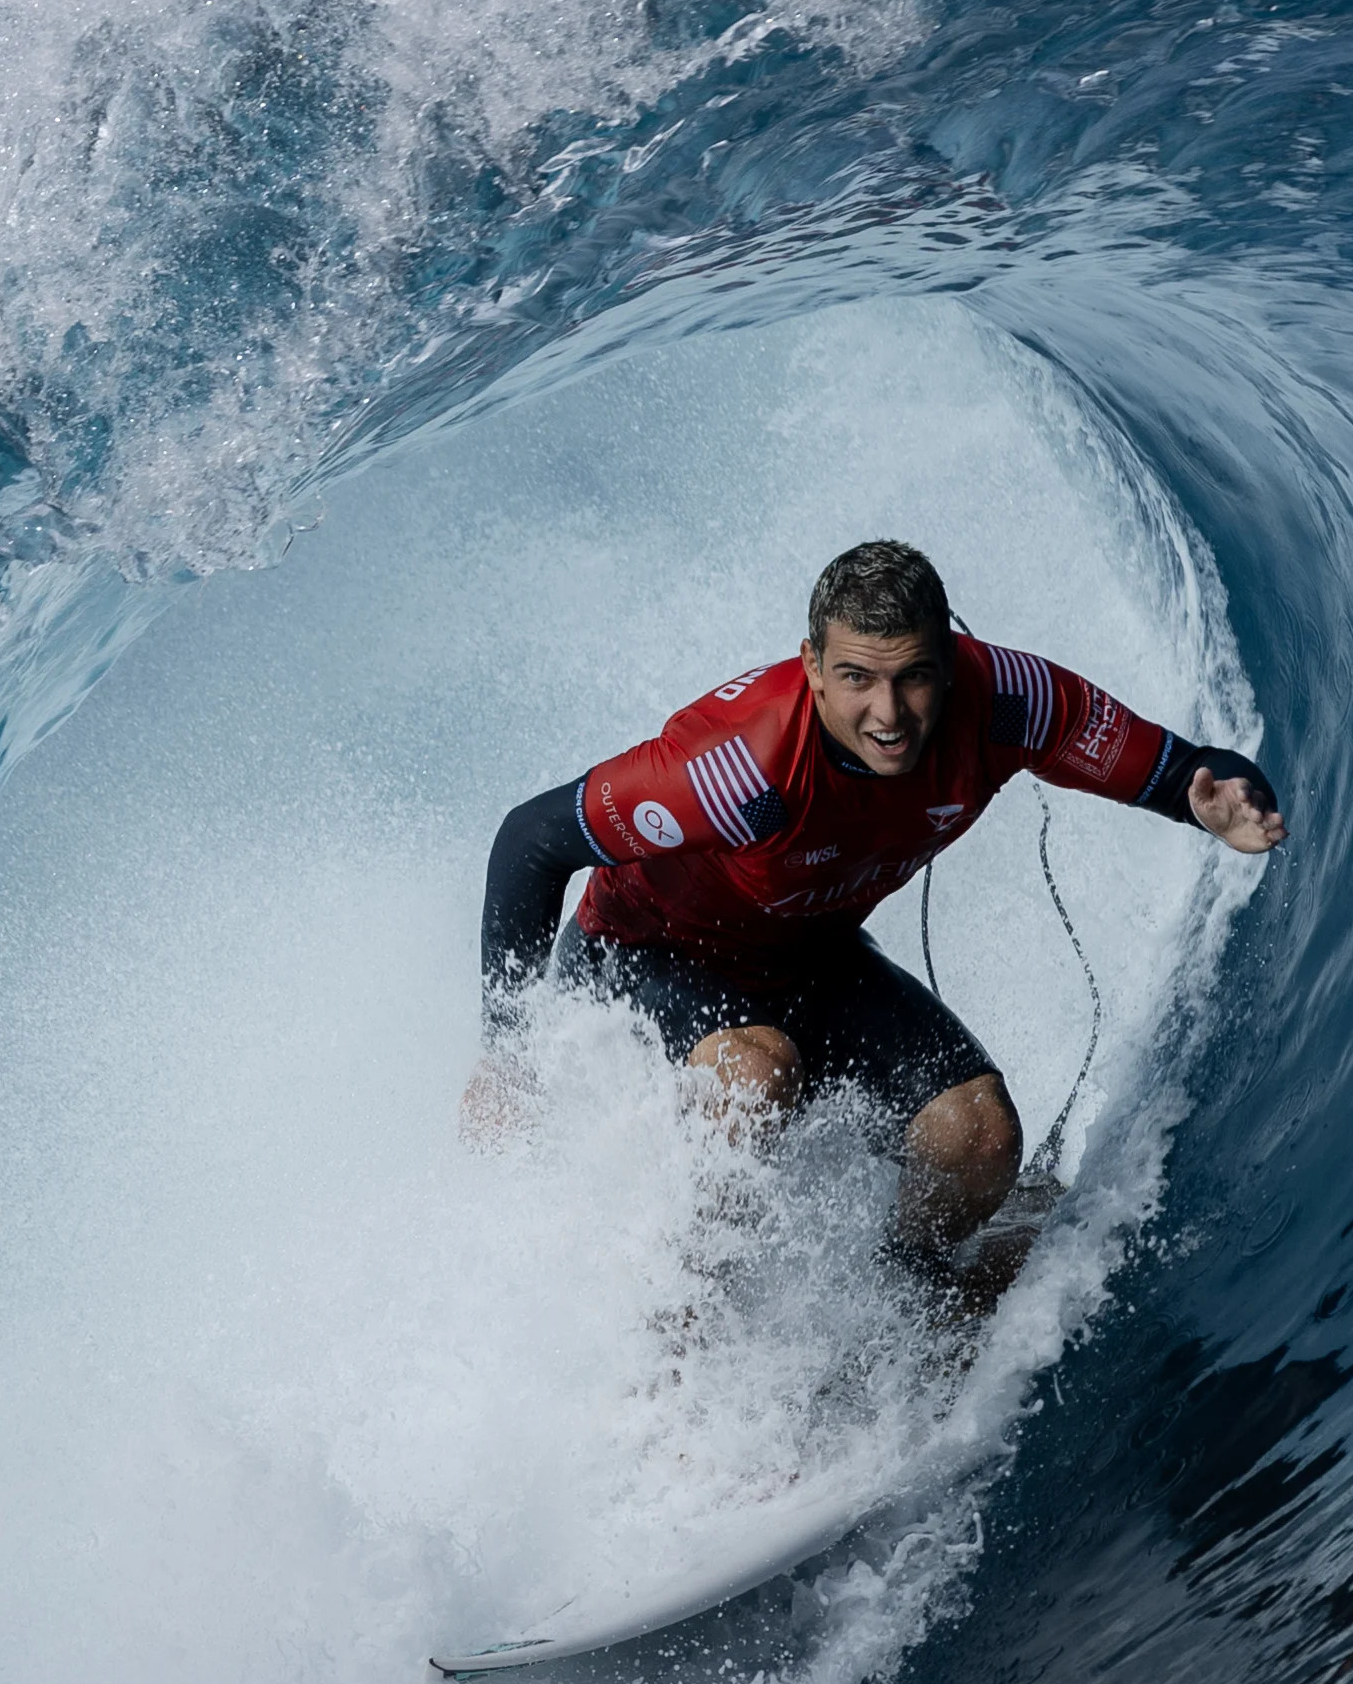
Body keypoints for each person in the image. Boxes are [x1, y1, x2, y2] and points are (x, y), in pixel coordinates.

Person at [470, 538, 1286, 1270]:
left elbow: (1181, 772)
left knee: (980, 1138)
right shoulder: (741, 771)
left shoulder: (1006, 702)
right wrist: (508, 1051)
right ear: (814, 667)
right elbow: (530, 842)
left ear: (949, 659)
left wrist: (1216, 800)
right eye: (857, 678)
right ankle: (682, 1313)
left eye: (914, 678)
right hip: (641, 960)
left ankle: (903, 1288)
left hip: (804, 960)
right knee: (756, 1079)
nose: (889, 715)